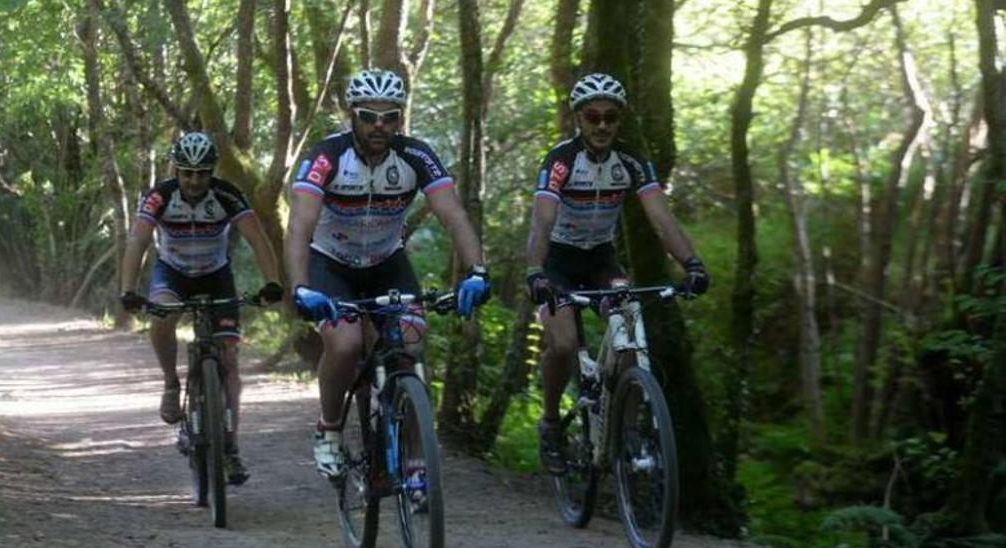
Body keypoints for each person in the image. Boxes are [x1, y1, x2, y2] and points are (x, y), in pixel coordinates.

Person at [284, 68, 490, 480]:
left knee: (411, 344)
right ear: (351, 115)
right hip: (331, 264)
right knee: (344, 344)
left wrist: (477, 272)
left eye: (390, 117)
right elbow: (299, 227)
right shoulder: (326, 157)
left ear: (400, 117)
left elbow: (454, 215)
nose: (379, 126)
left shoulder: (416, 155)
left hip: (386, 264)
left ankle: (414, 455)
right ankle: (329, 427)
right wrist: (301, 287)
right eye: (368, 116)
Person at [524, 73, 710, 474]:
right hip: (557, 261)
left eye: (611, 117)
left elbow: (660, 217)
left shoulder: (630, 161)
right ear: (579, 118)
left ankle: (623, 433)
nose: (602, 125)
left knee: (629, 337)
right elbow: (542, 220)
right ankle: (551, 423)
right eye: (593, 116)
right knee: (563, 343)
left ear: (619, 120)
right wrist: (536, 271)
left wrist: (691, 263)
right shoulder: (561, 160)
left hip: (601, 261)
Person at [119, 131, 283, 486]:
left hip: (215, 275)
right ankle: (170, 382)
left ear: (212, 172)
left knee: (229, 359)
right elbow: (138, 240)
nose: (194, 181)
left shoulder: (227, 195)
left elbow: (258, 238)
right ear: (176, 171)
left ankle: (230, 447)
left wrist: (272, 283)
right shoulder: (159, 197)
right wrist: (128, 290)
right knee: (161, 315)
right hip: (173, 273)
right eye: (187, 173)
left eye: (202, 173)